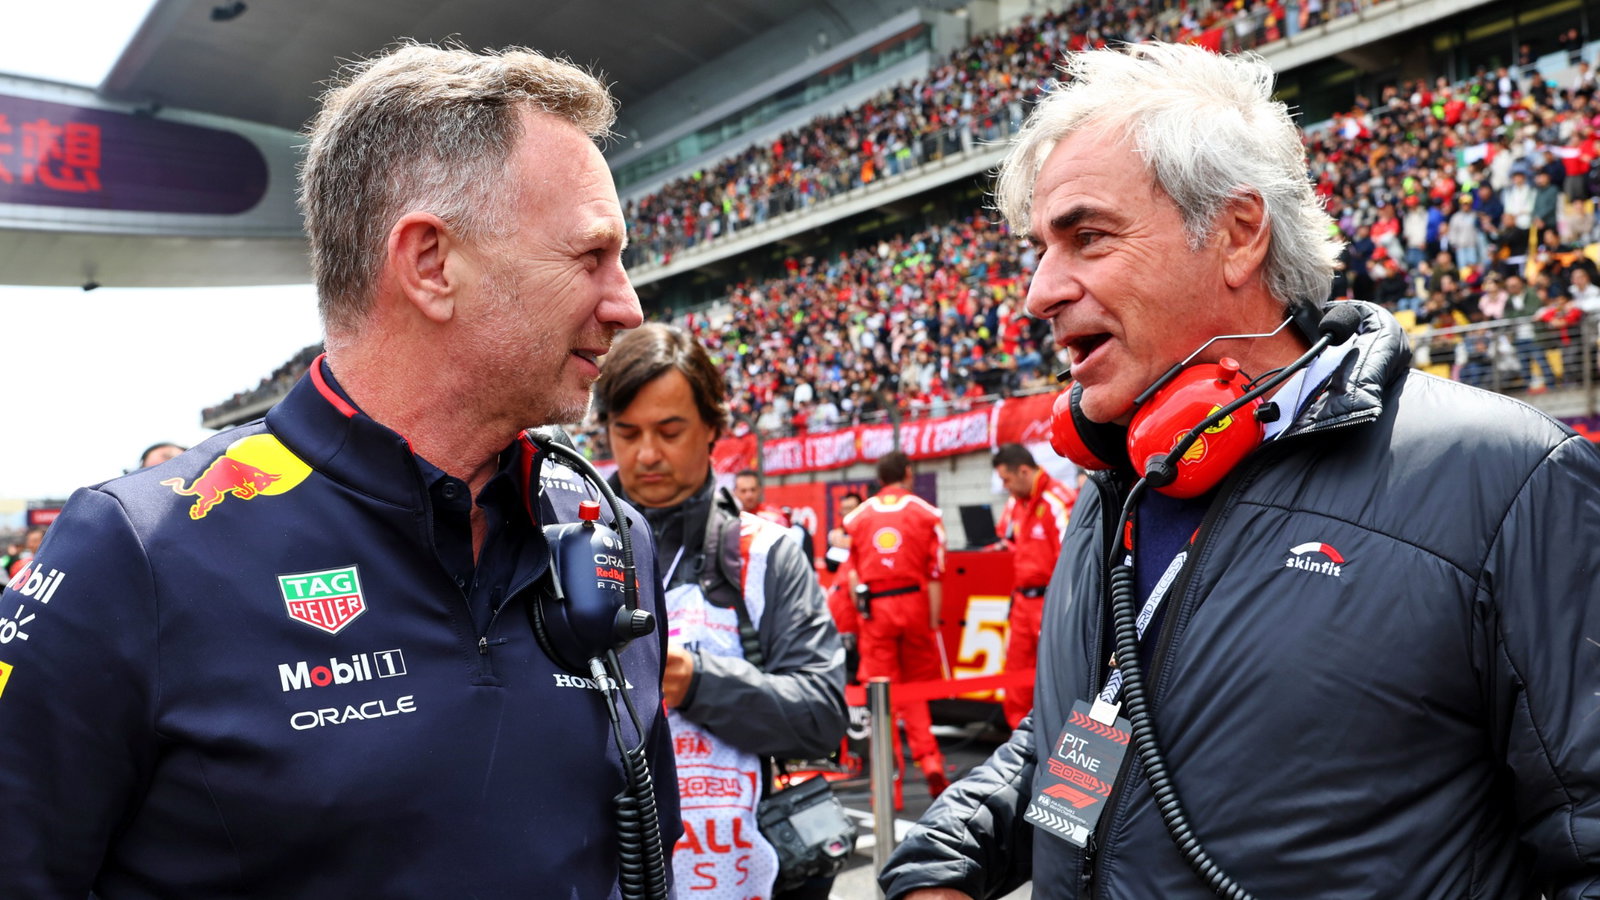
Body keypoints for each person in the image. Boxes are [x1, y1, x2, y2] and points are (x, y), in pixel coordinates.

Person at [881, 42, 1600, 899]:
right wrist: (946, 858)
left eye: (1086, 236)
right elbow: (1088, 738)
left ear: (1236, 232)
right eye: (1040, 247)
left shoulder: (1506, 478)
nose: (1038, 291)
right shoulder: (1123, 488)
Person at [0, 44, 679, 898]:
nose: (628, 303)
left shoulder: (609, 535)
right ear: (431, 263)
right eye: (590, 257)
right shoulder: (134, 554)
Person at [595, 323, 847, 900]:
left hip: (748, 874)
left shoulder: (767, 553)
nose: (647, 453)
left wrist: (697, 681)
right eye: (626, 432)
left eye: (670, 430)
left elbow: (823, 715)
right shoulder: (567, 549)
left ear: (712, 428)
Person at [845, 450, 950, 798]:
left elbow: (852, 574)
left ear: (879, 478)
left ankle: (889, 782)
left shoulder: (858, 517)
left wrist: (863, 614)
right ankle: (931, 761)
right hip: (915, 604)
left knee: (882, 697)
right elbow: (935, 573)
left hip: (877, 610)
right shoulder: (926, 513)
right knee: (916, 690)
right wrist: (931, 620)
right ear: (907, 473)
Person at [990, 443, 1076, 729]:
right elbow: (1007, 537)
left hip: (1050, 603)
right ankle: (1018, 747)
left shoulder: (1058, 500)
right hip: (1022, 603)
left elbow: (1072, 559)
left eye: (1006, 479)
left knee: (1054, 676)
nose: (1005, 486)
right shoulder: (1016, 501)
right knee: (1015, 678)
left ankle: (1051, 743)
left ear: (1024, 471)